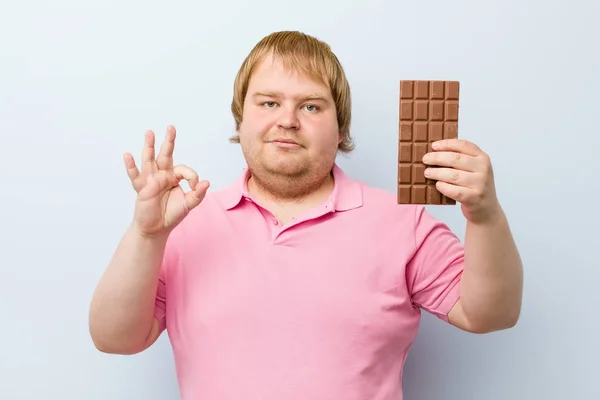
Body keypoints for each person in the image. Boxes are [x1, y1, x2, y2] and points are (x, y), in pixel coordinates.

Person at [89, 30, 523, 399]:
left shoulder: (401, 222)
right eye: (269, 103)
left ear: (341, 129)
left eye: (311, 106)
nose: (289, 120)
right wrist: (146, 236)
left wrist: (484, 216)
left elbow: (488, 314)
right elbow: (115, 338)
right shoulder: (186, 224)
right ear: (241, 121)